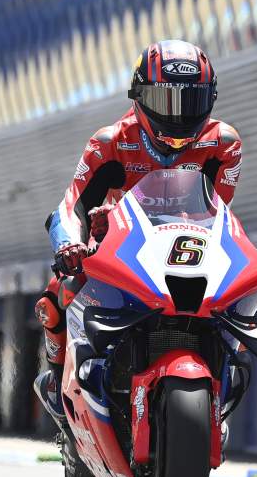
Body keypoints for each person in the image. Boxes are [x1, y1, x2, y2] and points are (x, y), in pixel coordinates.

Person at [33, 39, 241, 427]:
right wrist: (69, 245)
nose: (177, 117)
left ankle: (223, 387)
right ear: (139, 95)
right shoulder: (109, 143)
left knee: (239, 301)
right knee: (54, 296)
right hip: (117, 248)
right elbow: (71, 204)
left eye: (190, 102)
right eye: (166, 101)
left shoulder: (223, 144)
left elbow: (220, 212)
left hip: (187, 248)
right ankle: (57, 378)